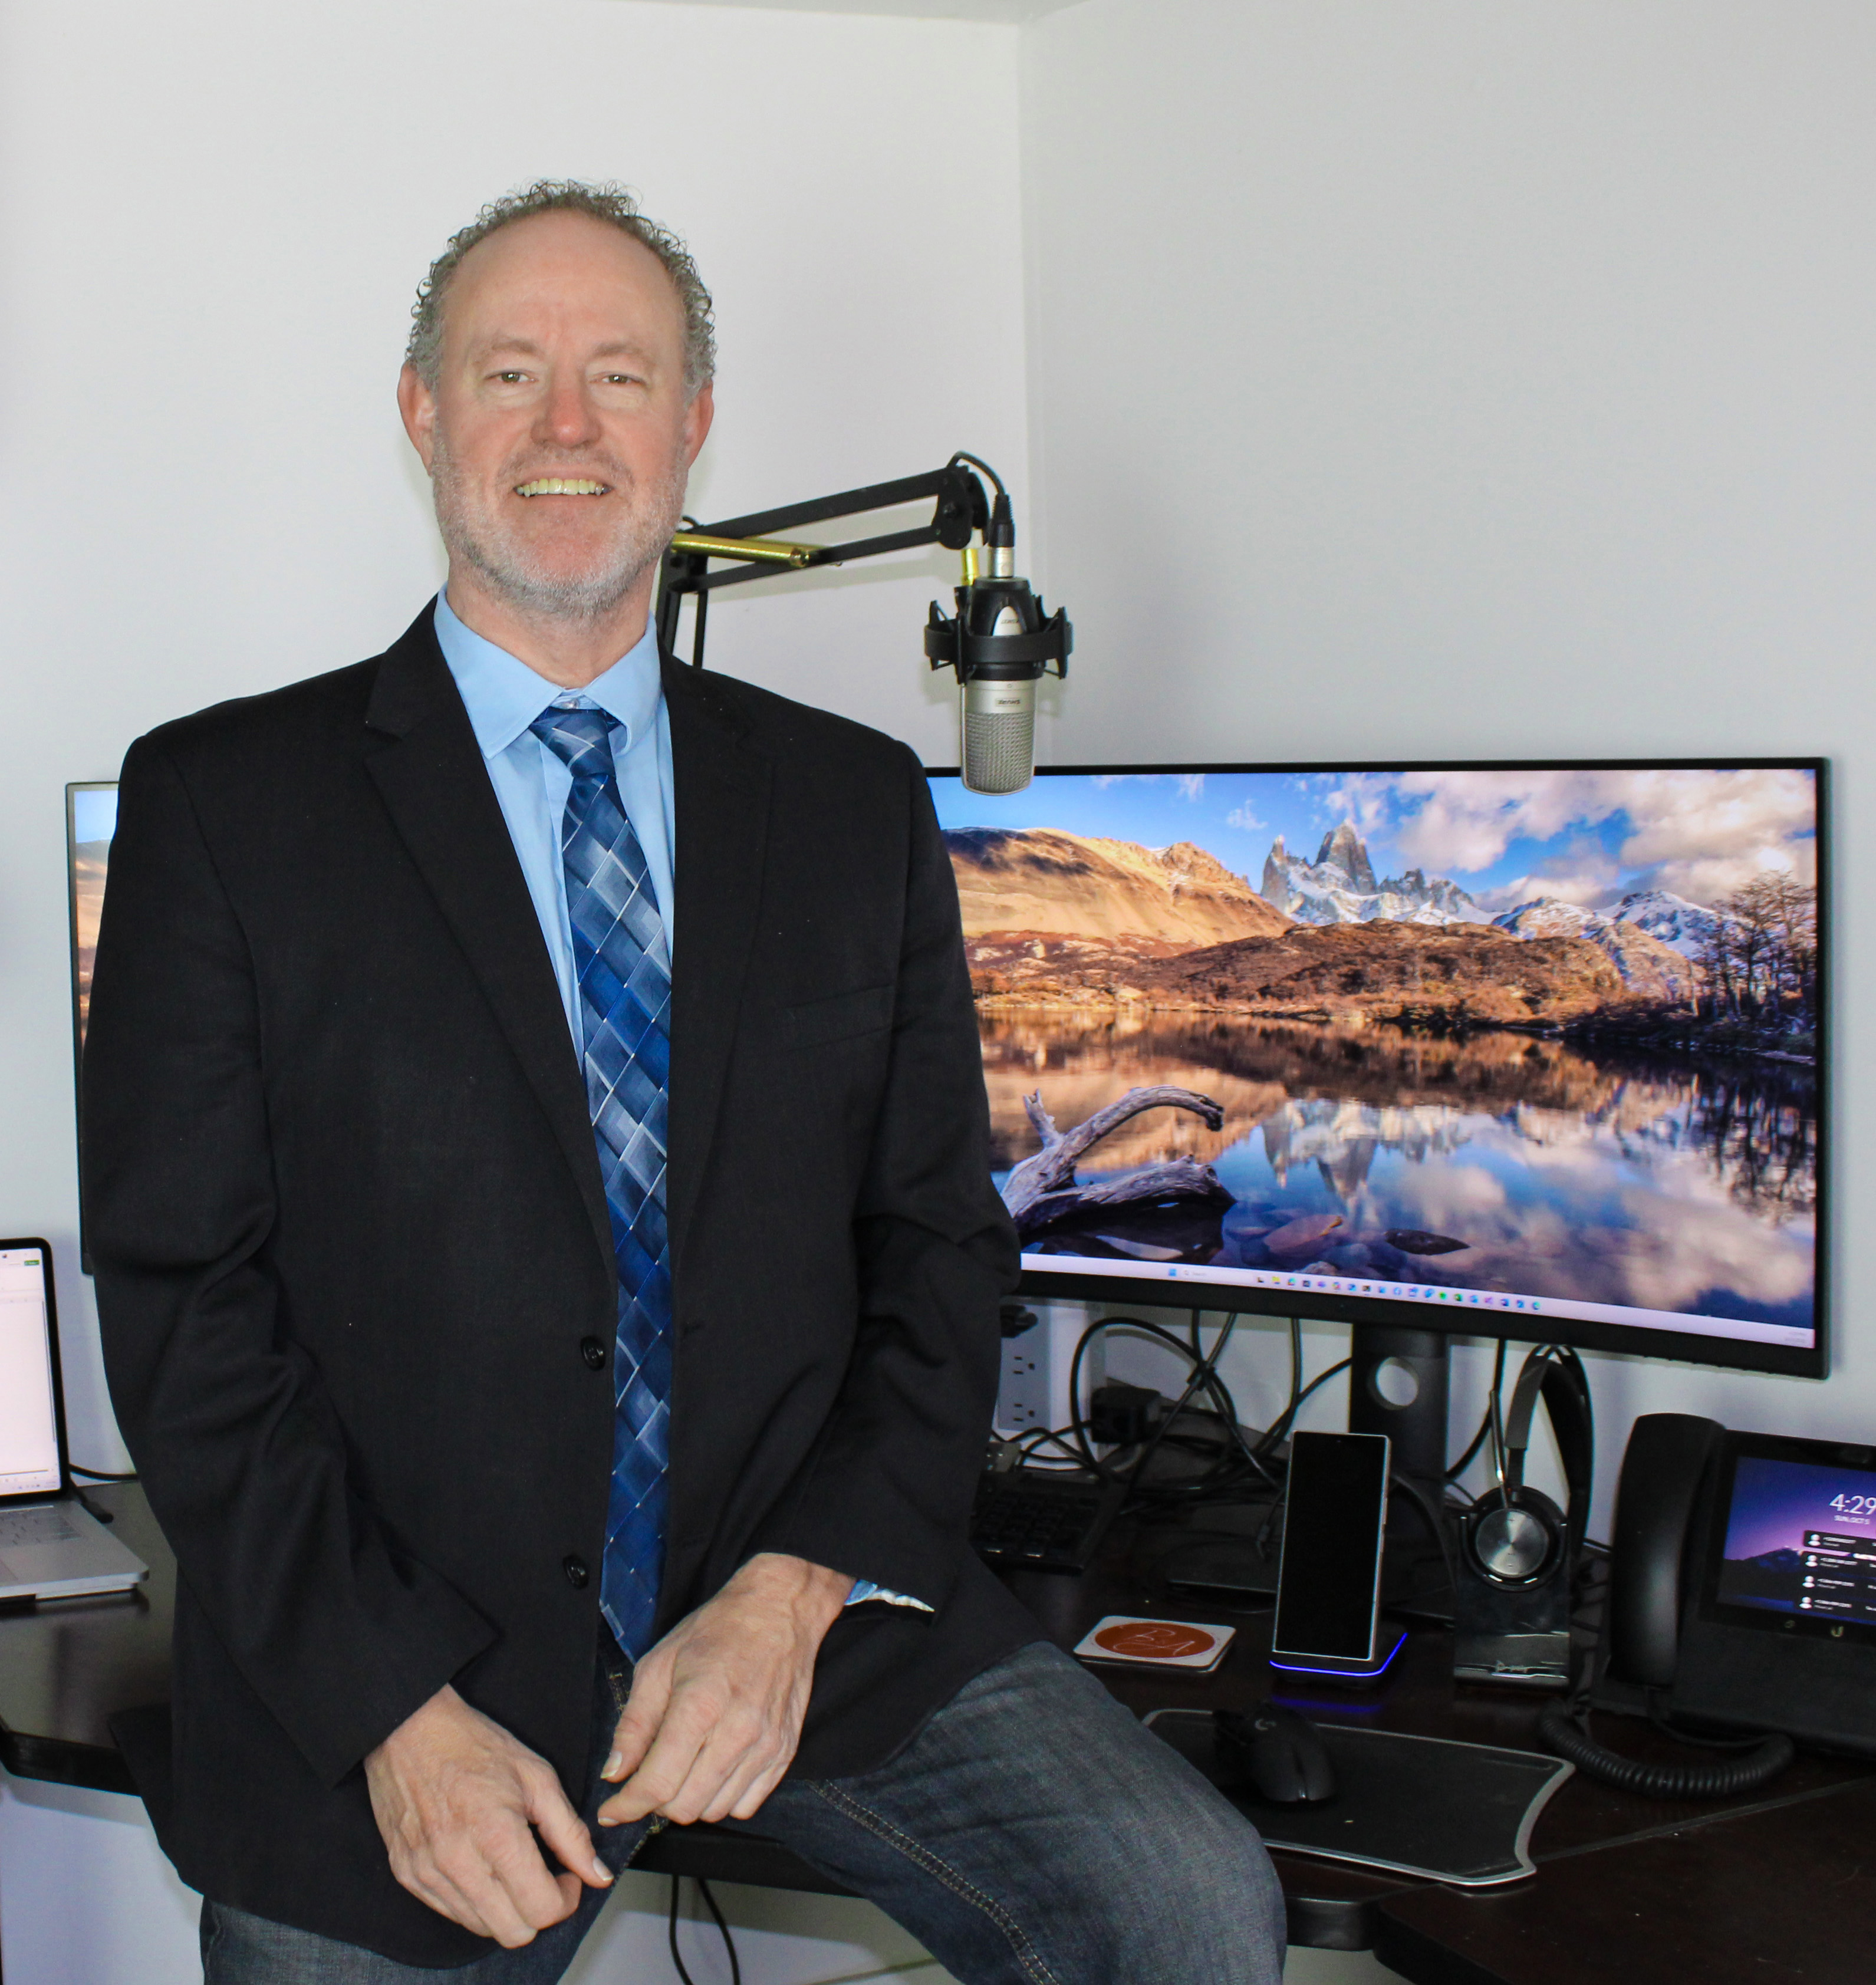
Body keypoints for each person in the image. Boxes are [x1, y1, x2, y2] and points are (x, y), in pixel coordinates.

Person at [81, 180, 1284, 1984]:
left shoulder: (852, 802)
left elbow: (940, 1249)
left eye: (620, 377)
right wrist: (392, 1713)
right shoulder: (223, 805)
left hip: (797, 1601)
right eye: (510, 373)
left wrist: (798, 1596)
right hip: (402, 1645)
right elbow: (190, 1313)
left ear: (693, 428)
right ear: (425, 414)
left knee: (1190, 1905)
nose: (566, 428)